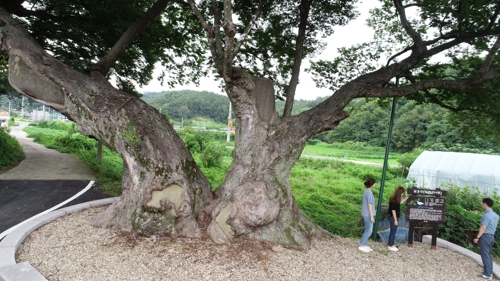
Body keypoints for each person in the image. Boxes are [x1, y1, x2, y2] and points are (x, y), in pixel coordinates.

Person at [473, 198, 499, 280]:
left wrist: (477, 237)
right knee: (488, 255)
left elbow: (483, 227)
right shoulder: (496, 215)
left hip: (485, 236)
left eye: (482, 203)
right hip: (491, 236)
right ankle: (489, 272)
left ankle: (487, 274)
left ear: (485, 204)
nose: (481, 205)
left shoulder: (486, 216)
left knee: (485, 255)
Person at [387, 186, 409, 252]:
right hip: (393, 217)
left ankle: (391, 244)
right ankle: (390, 246)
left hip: (393, 217)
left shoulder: (395, 199)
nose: (402, 194)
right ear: (400, 192)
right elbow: (393, 210)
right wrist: (395, 220)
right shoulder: (394, 200)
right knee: (393, 232)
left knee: (393, 231)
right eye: (402, 193)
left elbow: (400, 202)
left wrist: (406, 198)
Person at [359, 177, 376, 252]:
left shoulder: (366, 191)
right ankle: (362, 245)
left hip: (366, 213)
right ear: (372, 184)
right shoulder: (369, 192)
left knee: (367, 229)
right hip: (368, 214)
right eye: (374, 183)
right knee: (369, 231)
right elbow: (370, 205)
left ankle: (364, 244)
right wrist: (372, 216)